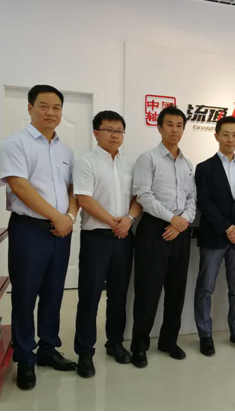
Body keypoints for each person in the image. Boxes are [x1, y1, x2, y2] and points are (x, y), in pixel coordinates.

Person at [0, 85, 78, 390]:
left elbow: (72, 188)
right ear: (30, 107)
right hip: (29, 230)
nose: (50, 112)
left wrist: (68, 217)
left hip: (61, 232)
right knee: (24, 296)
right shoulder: (15, 143)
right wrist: (56, 216)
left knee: (54, 293)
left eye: (56, 107)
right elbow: (20, 186)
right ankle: (24, 358)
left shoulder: (65, 150)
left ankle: (47, 349)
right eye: (43, 106)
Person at [72, 111, 142, 378]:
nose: (115, 135)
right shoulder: (86, 162)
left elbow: (137, 197)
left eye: (119, 131)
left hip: (124, 237)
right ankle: (84, 352)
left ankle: (115, 343)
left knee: (119, 294)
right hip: (97, 238)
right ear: (96, 133)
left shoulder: (130, 165)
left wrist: (129, 219)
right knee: (89, 295)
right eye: (109, 130)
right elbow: (84, 199)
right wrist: (115, 222)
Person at [130, 106, 196, 368]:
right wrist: (172, 219)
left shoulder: (187, 164)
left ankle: (169, 341)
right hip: (154, 230)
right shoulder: (147, 159)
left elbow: (192, 199)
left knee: (176, 291)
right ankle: (139, 346)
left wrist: (182, 222)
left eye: (179, 125)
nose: (175, 130)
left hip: (180, 231)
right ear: (159, 127)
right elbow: (143, 195)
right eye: (169, 124)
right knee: (148, 291)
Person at [194, 116, 235, 356]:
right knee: (205, 288)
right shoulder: (204, 168)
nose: (231, 139)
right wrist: (227, 227)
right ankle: (205, 335)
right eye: (226, 134)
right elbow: (204, 202)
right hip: (214, 237)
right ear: (216, 136)